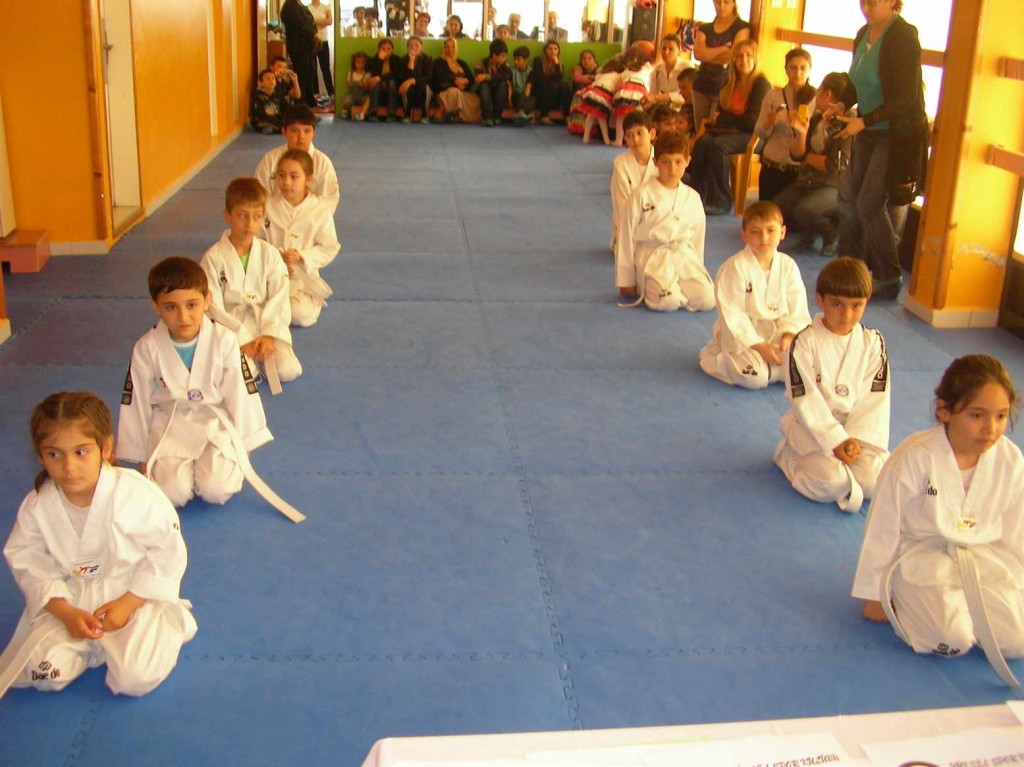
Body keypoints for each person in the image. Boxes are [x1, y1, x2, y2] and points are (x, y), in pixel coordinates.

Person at [0, 392, 196, 698]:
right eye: (54, 454)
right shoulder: (37, 506)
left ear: (105, 448)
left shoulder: (135, 494)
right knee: (44, 672)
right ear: (40, 455)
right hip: (72, 597)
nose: (69, 467)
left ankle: (165, 623)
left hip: (132, 593)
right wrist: (65, 612)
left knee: (134, 679)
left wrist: (129, 602)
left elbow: (166, 550)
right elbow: (29, 563)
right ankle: (89, 646)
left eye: (81, 452)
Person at [852, 355, 1024, 687]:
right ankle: (910, 598)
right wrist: (875, 594)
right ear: (944, 411)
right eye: (977, 415)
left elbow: (1017, 532)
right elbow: (884, 525)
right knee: (950, 641)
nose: (991, 428)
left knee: (1016, 641)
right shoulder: (916, 456)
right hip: (921, 557)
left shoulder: (1010, 461)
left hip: (983, 557)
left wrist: (1016, 585)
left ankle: (966, 606)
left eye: (1001, 416)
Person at [118, 257, 273, 508]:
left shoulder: (225, 340)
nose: (183, 317)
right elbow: (136, 401)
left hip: (214, 421)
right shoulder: (146, 347)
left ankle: (224, 462)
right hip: (170, 423)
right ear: (155, 306)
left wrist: (244, 445)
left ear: (207, 301)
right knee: (172, 493)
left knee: (217, 489)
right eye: (171, 307)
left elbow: (240, 391)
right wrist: (141, 454)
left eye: (192, 305)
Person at [774, 256, 890, 513]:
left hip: (855, 430)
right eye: (837, 304)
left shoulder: (873, 343)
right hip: (811, 428)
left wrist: (855, 438)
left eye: (856, 305)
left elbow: (875, 399)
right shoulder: (803, 343)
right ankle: (789, 457)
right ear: (820, 299)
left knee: (874, 482)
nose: (846, 315)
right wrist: (835, 440)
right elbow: (804, 398)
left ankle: (844, 463)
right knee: (832, 484)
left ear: (867, 301)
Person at [836, 0, 928, 301]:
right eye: (863, 2)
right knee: (848, 198)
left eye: (873, 2)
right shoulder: (863, 34)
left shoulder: (904, 35)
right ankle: (849, 268)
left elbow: (905, 96)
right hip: (866, 128)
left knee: (869, 204)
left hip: (894, 133)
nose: (866, 8)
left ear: (892, 2)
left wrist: (863, 121)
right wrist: (841, 104)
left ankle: (889, 275)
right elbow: (856, 82)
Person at [699, 201, 811, 389]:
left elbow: (797, 308)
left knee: (808, 367)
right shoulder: (735, 267)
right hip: (744, 339)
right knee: (755, 378)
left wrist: (788, 336)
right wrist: (758, 345)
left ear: (782, 232)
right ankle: (718, 359)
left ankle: (775, 368)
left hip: (778, 333)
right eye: (755, 232)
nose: (763, 238)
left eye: (770, 230)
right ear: (743, 235)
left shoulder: (788, 266)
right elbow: (732, 314)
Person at [200, 177, 301, 385]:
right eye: (242, 216)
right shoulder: (213, 258)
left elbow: (279, 297)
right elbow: (212, 305)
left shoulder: (270, 254)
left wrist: (269, 334)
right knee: (242, 375)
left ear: (263, 216)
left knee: (288, 371)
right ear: (227, 215)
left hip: (264, 320)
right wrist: (241, 338)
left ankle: (261, 354)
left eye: (256, 216)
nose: (250, 224)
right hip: (230, 327)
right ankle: (249, 361)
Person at [615, 131, 715, 312]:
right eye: (665, 162)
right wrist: (625, 279)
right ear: (655, 162)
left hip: (683, 256)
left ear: (688, 161)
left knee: (707, 299)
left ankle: (677, 285)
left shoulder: (692, 197)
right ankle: (662, 287)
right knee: (668, 301)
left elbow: (697, 238)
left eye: (678, 162)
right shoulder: (641, 195)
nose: (672, 169)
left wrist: (697, 266)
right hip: (652, 257)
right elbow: (626, 235)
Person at [774, 72, 856, 258]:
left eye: (819, 90)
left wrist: (806, 157)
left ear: (828, 94)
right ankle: (808, 232)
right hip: (808, 181)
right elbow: (796, 155)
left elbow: (833, 166)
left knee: (805, 210)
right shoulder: (817, 119)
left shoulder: (848, 123)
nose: (816, 94)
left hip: (834, 185)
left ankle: (831, 234)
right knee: (778, 207)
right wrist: (801, 134)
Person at [687, 39, 771, 215]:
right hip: (729, 132)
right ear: (733, 60)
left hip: (754, 136)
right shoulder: (728, 82)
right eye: (739, 56)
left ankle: (721, 201)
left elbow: (751, 122)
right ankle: (695, 195)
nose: (743, 60)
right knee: (703, 142)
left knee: (718, 146)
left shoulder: (762, 85)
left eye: (748, 56)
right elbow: (717, 117)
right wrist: (727, 119)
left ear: (755, 59)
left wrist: (726, 118)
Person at [262, 149, 340, 328]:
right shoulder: (267, 206)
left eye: (294, 176)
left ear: (309, 179)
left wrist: (302, 256)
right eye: (281, 175)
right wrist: (276, 257)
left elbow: (329, 247)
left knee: (299, 315)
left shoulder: (319, 212)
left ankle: (305, 301)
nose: (286, 182)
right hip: (269, 273)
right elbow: (255, 241)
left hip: (300, 278)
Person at [753, 48, 817, 202]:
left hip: (798, 170)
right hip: (772, 164)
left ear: (809, 70)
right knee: (766, 211)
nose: (798, 73)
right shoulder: (773, 95)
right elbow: (759, 132)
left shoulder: (815, 99)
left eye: (803, 68)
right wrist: (768, 123)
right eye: (793, 68)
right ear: (786, 70)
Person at [255, 105, 340, 214]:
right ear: (284, 132)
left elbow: (328, 200)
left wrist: (302, 218)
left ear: (314, 133)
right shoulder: (270, 160)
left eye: (307, 131)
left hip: (311, 220)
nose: (301, 137)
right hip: (275, 218)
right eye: (294, 131)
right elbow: (259, 197)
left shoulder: (323, 163)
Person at [691, 0, 751, 133]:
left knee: (714, 131)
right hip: (700, 84)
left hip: (724, 86)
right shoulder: (704, 28)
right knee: (699, 131)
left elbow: (734, 56)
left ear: (733, 3)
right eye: (718, 2)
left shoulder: (742, 27)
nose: (721, 6)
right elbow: (698, 54)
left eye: (726, 2)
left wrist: (709, 54)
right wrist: (724, 48)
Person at [609, 110, 656, 249]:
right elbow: (623, 205)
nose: (635, 140)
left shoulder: (662, 161)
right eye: (629, 135)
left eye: (640, 133)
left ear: (652, 134)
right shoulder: (620, 164)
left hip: (657, 223)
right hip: (629, 225)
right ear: (625, 138)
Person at [611, 42, 655, 145]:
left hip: (625, 90)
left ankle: (618, 140)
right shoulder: (647, 68)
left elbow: (618, 83)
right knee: (639, 118)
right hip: (639, 90)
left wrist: (615, 95)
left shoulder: (626, 71)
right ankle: (641, 140)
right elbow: (656, 62)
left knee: (620, 117)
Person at [431, 37, 481, 124]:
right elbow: (439, 78)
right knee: (454, 92)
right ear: (444, 48)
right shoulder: (438, 62)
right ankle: (438, 114)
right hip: (444, 91)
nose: (450, 49)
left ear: (456, 48)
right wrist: (456, 82)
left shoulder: (462, 63)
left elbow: (472, 79)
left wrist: (465, 81)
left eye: (452, 46)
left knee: (476, 99)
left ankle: (457, 118)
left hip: (462, 91)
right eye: (447, 47)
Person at [280, 0, 320, 108]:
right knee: (302, 74)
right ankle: (301, 103)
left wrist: (314, 34)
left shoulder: (300, 5)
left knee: (310, 72)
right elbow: (299, 24)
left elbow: (310, 21)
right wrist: (313, 34)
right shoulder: (290, 6)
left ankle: (310, 100)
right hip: (298, 47)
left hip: (307, 46)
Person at [578, 59, 625, 145]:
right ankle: (606, 138)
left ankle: (586, 136)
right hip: (604, 95)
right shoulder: (618, 76)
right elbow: (618, 87)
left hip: (593, 93)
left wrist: (584, 90)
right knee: (601, 117)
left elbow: (595, 82)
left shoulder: (602, 75)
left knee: (591, 115)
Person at [644, 34, 694, 110]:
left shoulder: (686, 66)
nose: (666, 52)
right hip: (665, 111)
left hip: (684, 110)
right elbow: (653, 94)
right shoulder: (657, 71)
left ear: (679, 50)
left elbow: (691, 93)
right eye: (664, 48)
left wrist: (663, 97)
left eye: (671, 49)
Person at [474, 39, 512, 127]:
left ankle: (497, 116)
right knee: (483, 85)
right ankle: (487, 117)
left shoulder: (505, 65)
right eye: (502, 56)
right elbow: (479, 78)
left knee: (503, 84)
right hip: (485, 91)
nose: (505, 59)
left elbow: (507, 76)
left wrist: (487, 76)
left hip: (498, 91)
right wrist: (491, 77)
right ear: (494, 55)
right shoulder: (480, 64)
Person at [532, 41, 570, 124]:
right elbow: (539, 79)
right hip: (541, 92)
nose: (553, 51)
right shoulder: (538, 61)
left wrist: (556, 64)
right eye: (550, 49)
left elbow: (559, 80)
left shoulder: (560, 65)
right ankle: (544, 115)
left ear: (558, 51)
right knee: (552, 85)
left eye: (555, 49)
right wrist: (552, 80)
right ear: (545, 50)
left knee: (565, 86)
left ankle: (567, 115)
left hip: (554, 93)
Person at [398, 36, 433, 124]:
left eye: (416, 45)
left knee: (423, 86)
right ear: (407, 48)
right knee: (406, 86)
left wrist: (411, 81)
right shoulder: (403, 60)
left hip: (423, 86)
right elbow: (405, 77)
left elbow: (428, 77)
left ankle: (425, 115)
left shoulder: (428, 60)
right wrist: (411, 61)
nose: (413, 47)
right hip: (409, 87)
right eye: (411, 45)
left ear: (421, 47)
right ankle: (407, 115)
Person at [367, 38, 401, 122]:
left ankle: (392, 113)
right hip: (378, 85)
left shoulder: (396, 59)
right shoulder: (373, 60)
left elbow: (395, 74)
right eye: (383, 48)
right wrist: (380, 60)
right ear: (379, 49)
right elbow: (374, 74)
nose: (386, 51)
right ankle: (373, 112)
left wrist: (380, 78)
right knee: (375, 84)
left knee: (391, 82)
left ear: (392, 50)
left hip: (392, 85)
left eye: (389, 49)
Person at [309, 0, 334, 103]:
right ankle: (316, 93)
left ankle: (331, 93)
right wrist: (322, 22)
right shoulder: (307, 8)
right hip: (311, 41)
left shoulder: (326, 7)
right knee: (313, 68)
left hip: (324, 41)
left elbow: (329, 21)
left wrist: (313, 22)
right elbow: (306, 23)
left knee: (325, 67)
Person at [250, 68, 288, 133]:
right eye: (268, 79)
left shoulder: (278, 94)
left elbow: (286, 108)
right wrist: (279, 123)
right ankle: (279, 129)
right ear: (261, 83)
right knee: (266, 126)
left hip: (277, 119)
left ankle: (279, 128)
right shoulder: (257, 95)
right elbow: (261, 114)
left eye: (273, 78)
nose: (271, 81)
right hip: (263, 120)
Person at [340, 51, 372, 121]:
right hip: (353, 96)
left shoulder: (367, 74)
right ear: (354, 63)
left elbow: (368, 86)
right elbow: (348, 83)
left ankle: (362, 114)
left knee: (368, 100)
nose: (360, 65)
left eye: (362, 63)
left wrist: (363, 85)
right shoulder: (351, 73)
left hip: (362, 96)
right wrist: (355, 83)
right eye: (358, 62)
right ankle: (345, 111)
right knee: (345, 100)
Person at [510, 46, 536, 126]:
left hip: (525, 96)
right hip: (515, 95)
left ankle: (521, 114)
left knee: (532, 99)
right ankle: (523, 115)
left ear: (526, 60)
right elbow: (509, 86)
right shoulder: (511, 70)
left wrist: (524, 98)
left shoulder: (531, 72)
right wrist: (509, 98)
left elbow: (528, 89)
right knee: (519, 97)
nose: (516, 62)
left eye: (518, 59)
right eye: (514, 59)